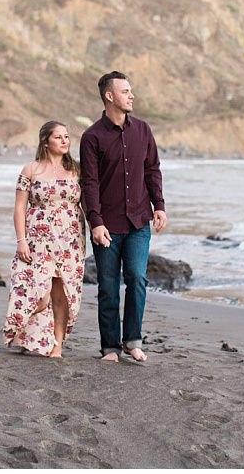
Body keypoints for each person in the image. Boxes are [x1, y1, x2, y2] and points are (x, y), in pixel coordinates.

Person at [80, 71, 167, 363]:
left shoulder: (143, 130)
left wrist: (160, 205)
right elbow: (89, 182)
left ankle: (132, 340)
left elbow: (152, 170)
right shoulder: (92, 137)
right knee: (107, 287)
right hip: (107, 224)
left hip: (139, 221)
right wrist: (96, 221)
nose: (131, 95)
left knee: (137, 278)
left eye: (131, 91)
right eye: (126, 91)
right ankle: (110, 348)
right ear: (110, 96)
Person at [3, 121, 87, 358]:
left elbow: (88, 206)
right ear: (45, 141)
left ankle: (57, 345)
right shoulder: (31, 170)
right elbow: (19, 208)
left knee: (63, 294)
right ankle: (25, 331)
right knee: (39, 292)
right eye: (58, 137)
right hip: (38, 237)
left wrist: (98, 228)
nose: (64, 141)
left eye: (67, 137)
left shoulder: (77, 170)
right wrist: (21, 240)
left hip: (70, 238)